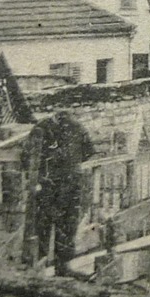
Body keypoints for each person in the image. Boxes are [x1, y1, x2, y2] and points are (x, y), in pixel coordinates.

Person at [32, 111, 95, 276]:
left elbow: (28, 157)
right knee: (66, 225)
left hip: (48, 183)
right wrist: (71, 163)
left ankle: (39, 265)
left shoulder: (41, 127)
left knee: (44, 224)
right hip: (69, 182)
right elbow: (89, 152)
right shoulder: (78, 126)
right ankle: (62, 265)